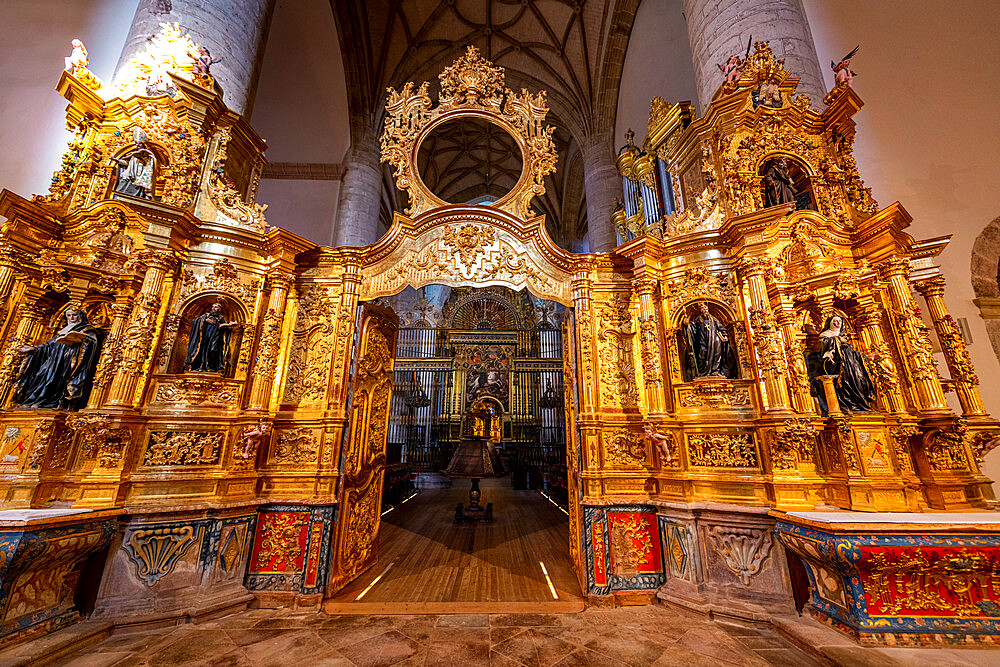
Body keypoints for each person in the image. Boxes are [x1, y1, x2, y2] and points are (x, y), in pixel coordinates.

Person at [13, 308, 101, 411]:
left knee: (55, 380)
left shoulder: (87, 329)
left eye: (74, 315)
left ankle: (47, 403)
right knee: (41, 375)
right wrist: (34, 349)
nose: (72, 318)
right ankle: (32, 401)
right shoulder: (64, 329)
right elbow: (49, 346)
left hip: (68, 361)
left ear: (81, 316)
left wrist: (83, 341)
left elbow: (91, 344)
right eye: (69, 315)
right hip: (53, 360)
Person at [808, 314, 876, 414]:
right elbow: (824, 349)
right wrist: (838, 340)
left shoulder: (843, 335)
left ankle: (860, 404)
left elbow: (851, 352)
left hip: (851, 364)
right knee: (844, 382)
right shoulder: (826, 335)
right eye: (835, 321)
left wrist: (864, 356)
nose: (838, 323)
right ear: (830, 323)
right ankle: (848, 405)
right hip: (838, 365)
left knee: (860, 380)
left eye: (840, 321)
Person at [682, 302, 736, 380]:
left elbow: (721, 328)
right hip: (703, 341)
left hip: (715, 340)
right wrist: (687, 325)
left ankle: (715, 371)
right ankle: (703, 372)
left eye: (706, 309)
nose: (705, 311)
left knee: (717, 355)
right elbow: (693, 330)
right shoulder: (698, 319)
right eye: (704, 309)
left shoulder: (713, 319)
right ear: (700, 310)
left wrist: (725, 335)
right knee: (702, 355)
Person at [184, 303, 239, 373]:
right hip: (204, 338)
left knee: (213, 350)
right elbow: (195, 321)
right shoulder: (206, 316)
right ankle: (201, 366)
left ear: (219, 309)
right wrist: (205, 320)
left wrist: (229, 325)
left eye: (216, 307)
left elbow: (221, 326)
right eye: (213, 307)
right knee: (202, 350)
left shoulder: (220, 318)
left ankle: (211, 367)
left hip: (215, 337)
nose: (213, 308)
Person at [113, 129, 155, 199]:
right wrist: (118, 161)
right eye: (136, 143)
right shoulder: (133, 154)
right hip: (127, 175)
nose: (137, 145)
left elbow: (149, 164)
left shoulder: (146, 153)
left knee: (133, 194)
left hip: (137, 177)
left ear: (143, 144)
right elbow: (127, 164)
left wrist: (142, 157)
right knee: (120, 191)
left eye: (139, 143)